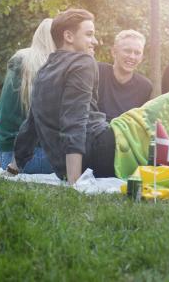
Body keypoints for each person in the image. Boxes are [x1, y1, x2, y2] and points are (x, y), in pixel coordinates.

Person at [12, 9, 115, 184]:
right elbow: (74, 120)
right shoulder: (83, 62)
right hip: (97, 151)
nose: (95, 41)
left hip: (64, 166)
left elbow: (31, 124)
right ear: (68, 36)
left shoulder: (45, 69)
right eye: (89, 34)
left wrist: (13, 167)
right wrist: (75, 182)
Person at [0, 18, 57, 174]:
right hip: (42, 158)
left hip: (7, 157)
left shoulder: (20, 59)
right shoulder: (57, 66)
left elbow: (2, 113)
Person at [97, 29, 153, 121]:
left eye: (137, 53)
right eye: (127, 51)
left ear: (142, 58)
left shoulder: (145, 87)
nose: (132, 57)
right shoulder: (97, 72)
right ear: (114, 52)